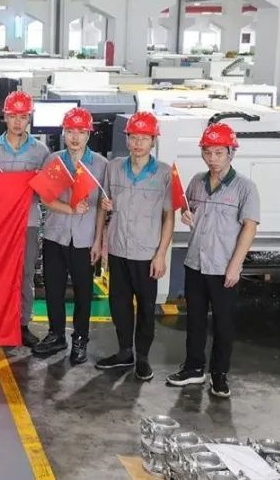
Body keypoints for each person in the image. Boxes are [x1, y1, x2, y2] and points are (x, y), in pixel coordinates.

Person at [166, 122, 259, 398]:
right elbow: (187, 208)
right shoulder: (197, 181)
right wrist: (185, 214)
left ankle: (219, 374)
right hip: (195, 263)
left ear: (231, 153)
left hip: (223, 267)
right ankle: (194, 368)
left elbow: (249, 228)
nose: (213, 159)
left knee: (223, 323)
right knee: (194, 320)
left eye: (219, 153)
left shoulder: (245, 188)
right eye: (207, 152)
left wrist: (235, 265)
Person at [94, 112, 173, 381]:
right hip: (118, 248)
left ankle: (143, 357)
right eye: (134, 137)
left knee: (147, 308)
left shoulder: (164, 173)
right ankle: (125, 351)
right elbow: (103, 206)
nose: (138, 143)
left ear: (153, 141)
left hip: (147, 252)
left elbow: (169, 217)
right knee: (119, 304)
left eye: (144, 138)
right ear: (127, 139)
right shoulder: (114, 168)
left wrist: (161, 254)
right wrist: (100, 240)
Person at [32, 107, 108, 364]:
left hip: (85, 240)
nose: (75, 137)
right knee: (53, 288)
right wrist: (70, 209)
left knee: (83, 291)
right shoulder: (54, 161)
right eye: (70, 131)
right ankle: (56, 334)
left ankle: (80, 338)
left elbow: (102, 207)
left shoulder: (100, 165)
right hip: (55, 236)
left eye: (81, 132)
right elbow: (45, 198)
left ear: (89, 134)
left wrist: (98, 241)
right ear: (63, 133)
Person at [0, 90, 50, 349]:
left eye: (23, 117)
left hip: (28, 222)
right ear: (5, 117)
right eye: (13, 116)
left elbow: (46, 191)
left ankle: (22, 324)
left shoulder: (41, 152)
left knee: (25, 274)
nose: (18, 122)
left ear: (29, 118)